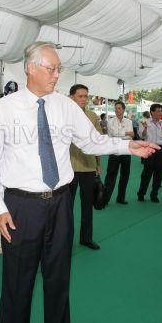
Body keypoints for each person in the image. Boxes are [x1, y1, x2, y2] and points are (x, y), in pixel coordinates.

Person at [0, 41, 157, 323]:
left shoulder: (65, 106)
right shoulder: (3, 110)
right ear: (30, 68)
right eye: (51, 68)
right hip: (20, 207)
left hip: (61, 203)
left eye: (59, 69)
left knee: (58, 282)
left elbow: (92, 142)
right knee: (17, 286)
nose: (56, 75)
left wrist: (127, 147)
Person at [68, 83, 103, 250]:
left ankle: (86, 238)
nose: (83, 99)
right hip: (68, 169)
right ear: (71, 97)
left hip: (88, 168)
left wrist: (98, 164)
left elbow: (98, 140)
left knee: (87, 206)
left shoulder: (92, 116)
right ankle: (64, 239)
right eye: (80, 96)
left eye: (85, 96)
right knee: (65, 208)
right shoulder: (63, 116)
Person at [103, 101, 135, 205]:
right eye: (116, 108)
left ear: (123, 109)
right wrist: (125, 133)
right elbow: (113, 133)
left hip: (126, 150)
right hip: (114, 150)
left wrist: (122, 134)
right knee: (110, 175)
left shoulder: (129, 121)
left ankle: (121, 198)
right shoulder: (110, 121)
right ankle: (105, 199)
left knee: (125, 175)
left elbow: (132, 135)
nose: (117, 110)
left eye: (119, 108)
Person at [138, 103, 162, 203]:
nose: (160, 113)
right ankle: (141, 193)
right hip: (149, 148)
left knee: (158, 173)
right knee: (147, 173)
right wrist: (145, 128)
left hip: (161, 150)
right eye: (157, 111)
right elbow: (142, 136)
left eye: (161, 111)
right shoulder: (145, 122)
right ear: (152, 112)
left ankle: (154, 195)